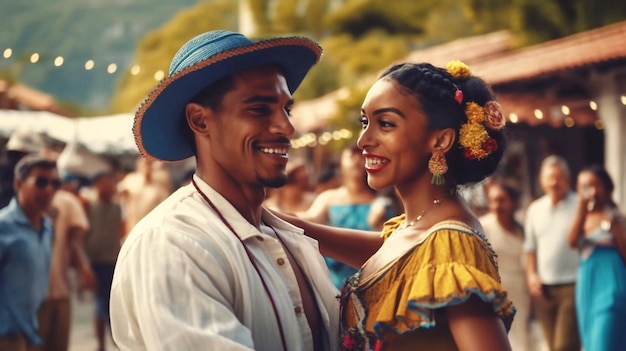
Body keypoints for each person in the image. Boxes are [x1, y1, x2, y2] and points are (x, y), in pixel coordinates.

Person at [109, 30, 339, 351]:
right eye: (259, 109)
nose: (286, 127)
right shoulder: (172, 244)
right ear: (200, 121)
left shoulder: (290, 240)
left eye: (286, 109)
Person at [276, 61, 515, 350]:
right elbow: (395, 259)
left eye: (386, 124)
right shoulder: (417, 228)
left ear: (440, 140)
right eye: (365, 122)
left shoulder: (451, 243)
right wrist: (285, 224)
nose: (364, 140)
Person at [298, 144, 392, 288]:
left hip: (373, 278)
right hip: (335, 281)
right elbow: (310, 219)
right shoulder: (329, 197)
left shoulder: (381, 201)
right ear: (341, 162)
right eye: (351, 155)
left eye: (360, 156)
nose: (356, 160)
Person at [0, 155, 58, 350]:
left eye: (54, 183)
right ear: (19, 183)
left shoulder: (47, 228)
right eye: (41, 182)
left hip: (30, 333)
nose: (49, 189)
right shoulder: (3, 226)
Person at [524, 155, 580, 351]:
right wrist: (531, 275)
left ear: (567, 179)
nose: (554, 182)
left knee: (564, 346)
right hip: (544, 288)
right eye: (550, 177)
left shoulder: (579, 205)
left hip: (573, 284)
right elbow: (530, 248)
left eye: (559, 177)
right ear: (542, 180)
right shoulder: (535, 209)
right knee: (551, 345)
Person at [567, 165, 626, 351]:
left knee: (604, 340)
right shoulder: (580, 217)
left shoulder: (614, 217)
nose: (589, 191)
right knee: (591, 341)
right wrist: (581, 209)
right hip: (588, 286)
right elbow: (572, 241)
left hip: (611, 284)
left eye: (593, 185)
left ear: (606, 188)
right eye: (583, 186)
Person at [36, 172, 96, 351]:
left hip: (58, 290)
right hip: (29, 296)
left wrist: (83, 267)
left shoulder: (67, 202)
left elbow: (75, 240)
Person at [480, 179, 532, 351]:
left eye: (501, 200)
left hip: (518, 292)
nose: (496, 205)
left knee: (520, 339)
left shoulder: (521, 230)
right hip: (492, 293)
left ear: (513, 202)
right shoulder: (482, 226)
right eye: (493, 200)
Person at [84, 171, 123, 351]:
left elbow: (121, 230)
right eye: (107, 183)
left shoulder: (117, 207)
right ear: (98, 184)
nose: (110, 187)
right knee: (101, 301)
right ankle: (102, 344)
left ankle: (113, 340)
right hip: (95, 261)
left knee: (109, 301)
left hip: (113, 260)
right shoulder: (88, 206)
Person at [117, 157, 171, 239]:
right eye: (144, 164)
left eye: (149, 164)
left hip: (152, 231)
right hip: (132, 228)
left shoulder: (159, 187)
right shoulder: (131, 179)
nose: (146, 167)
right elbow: (118, 192)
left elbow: (166, 208)